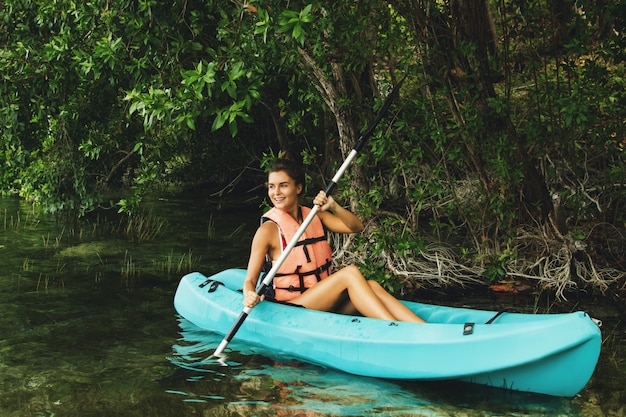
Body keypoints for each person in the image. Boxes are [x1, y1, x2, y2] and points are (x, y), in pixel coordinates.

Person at [242, 151, 426, 323]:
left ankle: (423, 329)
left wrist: (333, 206)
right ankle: (392, 328)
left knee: (372, 286)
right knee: (350, 273)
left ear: (298, 188)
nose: (276, 193)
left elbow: (356, 227)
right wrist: (249, 294)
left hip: (321, 301)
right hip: (291, 308)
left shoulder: (314, 215)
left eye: (283, 186)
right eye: (272, 187)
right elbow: (250, 280)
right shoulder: (268, 230)